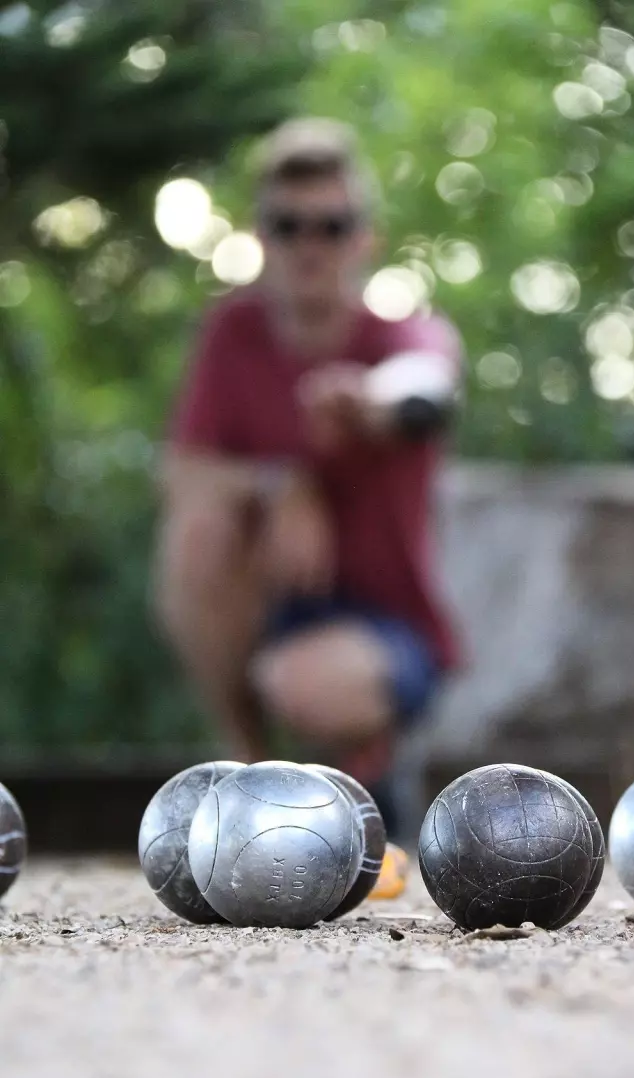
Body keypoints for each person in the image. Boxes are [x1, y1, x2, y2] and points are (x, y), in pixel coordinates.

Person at [152, 117, 464, 835]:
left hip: (388, 633)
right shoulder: (232, 334)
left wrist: (370, 401)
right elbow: (179, 472)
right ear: (261, 236)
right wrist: (280, 485)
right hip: (273, 605)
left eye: (332, 225)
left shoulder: (403, 334)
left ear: (365, 239)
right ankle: (247, 776)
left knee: (302, 684)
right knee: (196, 534)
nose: (309, 244)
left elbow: (425, 385)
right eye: (288, 226)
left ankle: (369, 767)